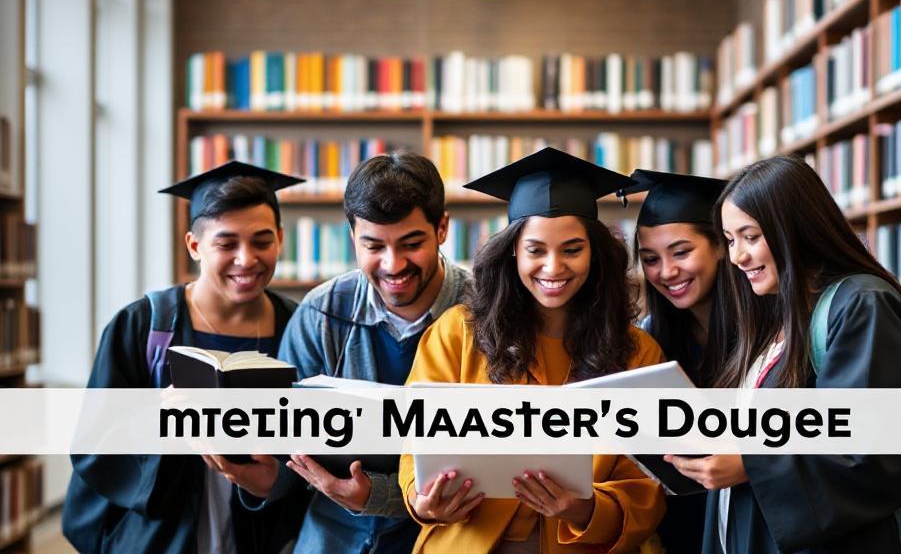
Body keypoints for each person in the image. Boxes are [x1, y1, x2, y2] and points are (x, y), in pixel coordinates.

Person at [398, 147, 667, 553]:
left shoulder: (637, 354)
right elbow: (415, 449)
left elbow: (646, 487)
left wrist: (584, 510)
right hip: (468, 539)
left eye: (572, 249)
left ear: (596, 254)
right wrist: (425, 500)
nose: (554, 267)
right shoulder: (456, 334)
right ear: (512, 253)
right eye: (536, 250)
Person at [668, 156, 901, 553]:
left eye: (751, 236)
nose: (738, 257)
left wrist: (749, 464)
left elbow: (875, 452)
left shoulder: (861, 305)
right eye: (730, 239)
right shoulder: (780, 315)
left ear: (795, 227)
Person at [219, 152, 472, 553]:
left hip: (445, 538)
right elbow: (291, 448)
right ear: (352, 236)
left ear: (442, 228)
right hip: (331, 539)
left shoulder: (484, 311)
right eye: (374, 245)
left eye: (411, 243)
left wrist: (379, 496)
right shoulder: (322, 312)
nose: (393, 265)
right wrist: (256, 472)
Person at [62, 161, 307, 554]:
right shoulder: (143, 324)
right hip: (163, 536)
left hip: (259, 533)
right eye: (226, 244)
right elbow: (96, 444)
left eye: (262, 241)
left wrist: (275, 479)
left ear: (280, 238)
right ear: (194, 245)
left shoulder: (299, 327)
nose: (246, 259)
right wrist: (162, 421)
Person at [618, 169, 730, 552]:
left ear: (720, 245)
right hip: (678, 523)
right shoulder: (651, 338)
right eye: (650, 259)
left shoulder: (768, 333)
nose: (666, 272)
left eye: (681, 252)